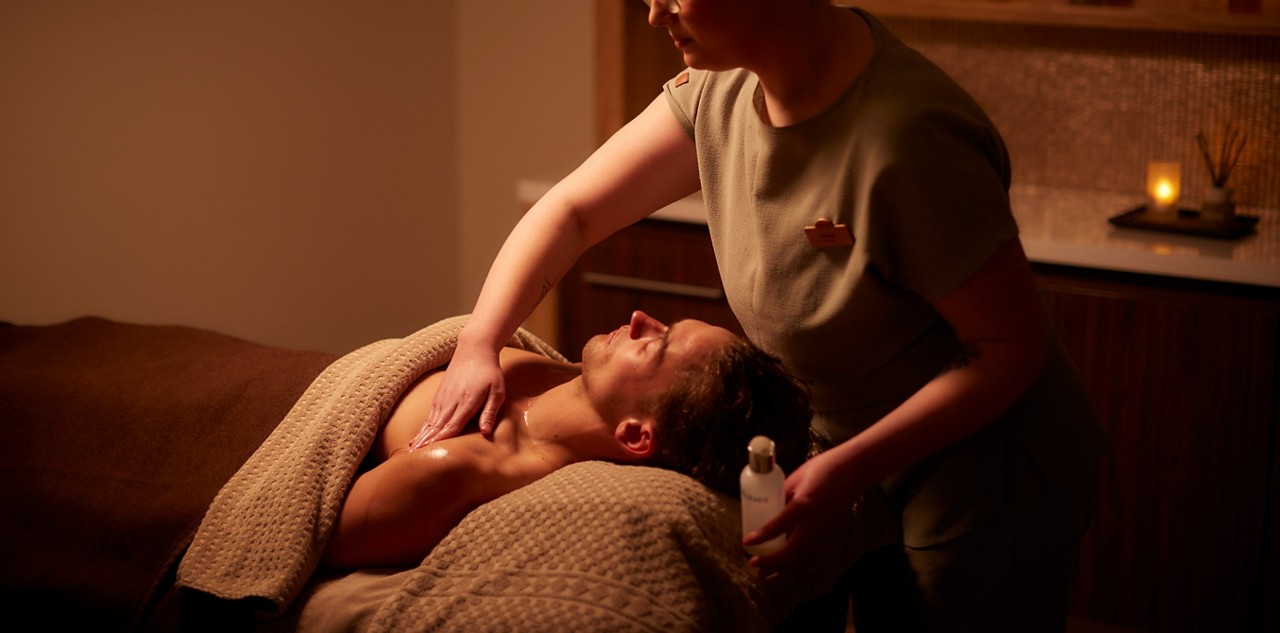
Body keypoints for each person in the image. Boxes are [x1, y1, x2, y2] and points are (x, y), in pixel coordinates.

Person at [412, 1, 1105, 630]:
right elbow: (574, 209)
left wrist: (850, 469)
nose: (654, 13)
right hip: (835, 440)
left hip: (978, 462)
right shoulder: (722, 91)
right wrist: (481, 340)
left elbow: (1009, 347)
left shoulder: (907, 136)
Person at [322, 310, 810, 569]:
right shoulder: (559, 375)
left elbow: (318, 533)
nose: (640, 319)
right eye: (665, 323)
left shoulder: (452, 465)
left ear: (637, 435)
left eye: (655, 345)